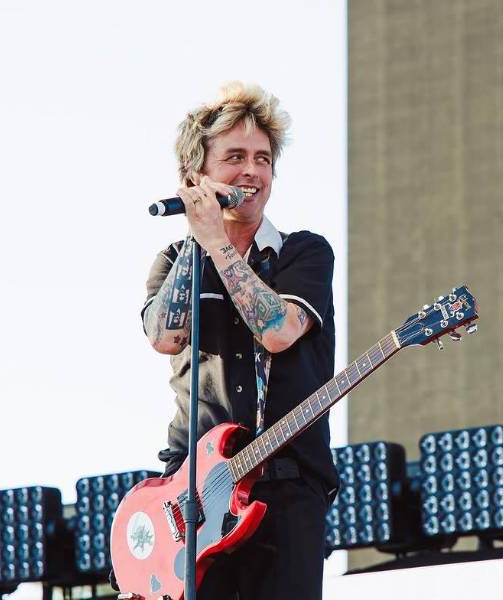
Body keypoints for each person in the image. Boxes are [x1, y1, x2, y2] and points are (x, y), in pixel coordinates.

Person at [141, 82, 338, 600]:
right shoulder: (174, 261)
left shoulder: (303, 253)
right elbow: (165, 336)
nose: (252, 172)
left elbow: (277, 332)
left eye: (263, 159)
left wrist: (220, 248)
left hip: (286, 489)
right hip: (195, 496)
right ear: (196, 177)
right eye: (234, 157)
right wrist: (198, 240)